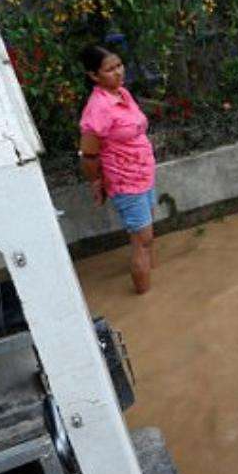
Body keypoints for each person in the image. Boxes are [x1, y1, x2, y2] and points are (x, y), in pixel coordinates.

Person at [79, 45, 158, 294]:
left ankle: (149, 282)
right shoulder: (97, 109)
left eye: (119, 66)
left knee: (146, 236)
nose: (118, 72)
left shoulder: (122, 94)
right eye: (110, 69)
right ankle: (146, 300)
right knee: (142, 241)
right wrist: (97, 181)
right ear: (94, 76)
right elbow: (89, 155)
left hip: (144, 173)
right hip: (125, 181)